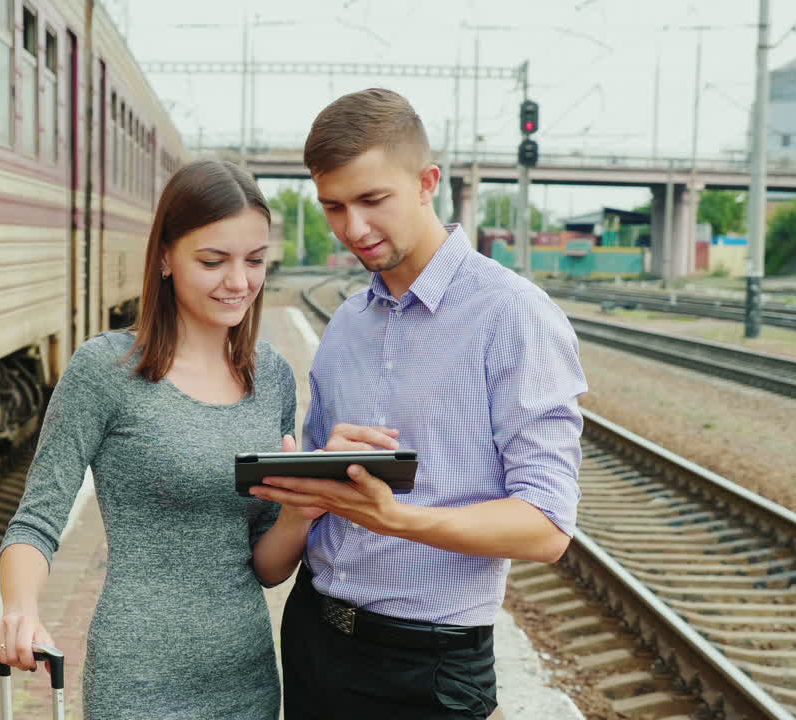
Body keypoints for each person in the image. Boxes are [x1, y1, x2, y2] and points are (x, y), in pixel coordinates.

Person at [249, 88, 588, 719]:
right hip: (314, 638)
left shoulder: (514, 315)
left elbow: (546, 527)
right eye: (333, 207)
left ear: (428, 183)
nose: (353, 229)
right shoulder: (346, 325)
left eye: (372, 200)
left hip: (428, 668)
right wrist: (312, 482)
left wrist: (396, 518)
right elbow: (311, 512)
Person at [0, 159, 311, 720]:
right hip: (137, 683)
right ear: (164, 257)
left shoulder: (274, 377)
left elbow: (266, 566)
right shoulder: (105, 369)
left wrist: (299, 515)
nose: (239, 282)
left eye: (254, 261)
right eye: (213, 261)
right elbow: (36, 520)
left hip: (248, 680)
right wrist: (21, 610)